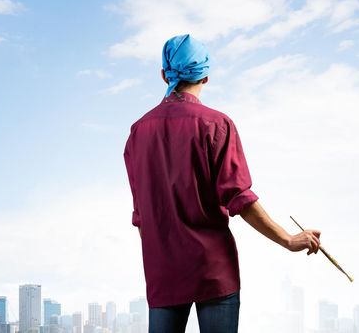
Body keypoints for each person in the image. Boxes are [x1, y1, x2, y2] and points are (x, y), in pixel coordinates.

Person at [123, 34, 322, 333]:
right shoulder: (217, 125)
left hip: (163, 270)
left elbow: (142, 218)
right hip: (213, 269)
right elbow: (239, 198)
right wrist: (289, 240)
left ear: (164, 75)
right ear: (205, 76)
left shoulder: (138, 133)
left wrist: (163, 257)